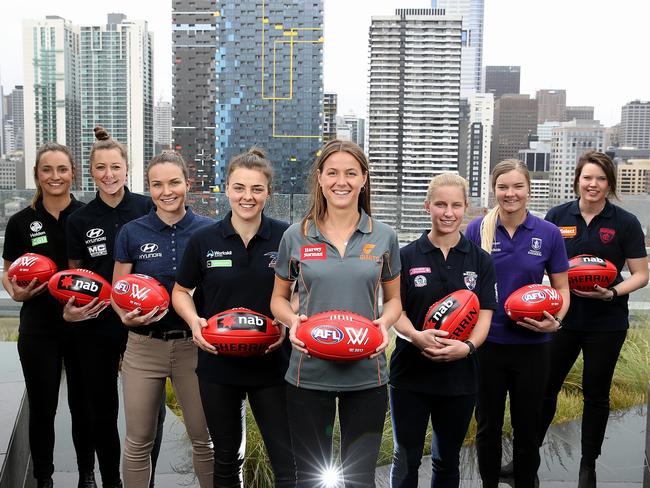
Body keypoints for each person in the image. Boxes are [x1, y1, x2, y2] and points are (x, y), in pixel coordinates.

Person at [270, 139, 402, 488]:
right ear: (319, 178)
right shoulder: (295, 236)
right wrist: (293, 321)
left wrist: (385, 324)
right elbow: (278, 300)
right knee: (310, 478)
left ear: (363, 179)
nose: (340, 181)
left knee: (360, 479)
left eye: (350, 173)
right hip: (308, 373)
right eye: (332, 173)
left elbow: (394, 302)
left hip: (367, 373)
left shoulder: (385, 237)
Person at [172, 147, 295, 487]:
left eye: (256, 189)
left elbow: (301, 291)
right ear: (226, 188)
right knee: (226, 459)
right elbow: (181, 292)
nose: (247, 197)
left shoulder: (286, 237)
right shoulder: (204, 239)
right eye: (239, 188)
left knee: (286, 461)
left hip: (272, 364)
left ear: (268, 192)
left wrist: (286, 319)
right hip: (218, 365)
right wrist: (195, 322)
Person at [540, 151, 648, 488]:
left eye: (601, 179)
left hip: (607, 321)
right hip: (563, 319)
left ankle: (588, 466)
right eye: (588, 177)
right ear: (577, 180)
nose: (593, 184)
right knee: (545, 389)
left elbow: (641, 274)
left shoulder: (625, 222)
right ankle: (526, 456)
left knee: (596, 393)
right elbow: (541, 265)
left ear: (609, 184)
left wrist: (613, 293)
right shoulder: (557, 216)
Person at [465, 159, 570, 488]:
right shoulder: (476, 229)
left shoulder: (548, 233)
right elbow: (465, 286)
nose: (510, 194)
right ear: (494, 189)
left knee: (528, 425)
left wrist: (556, 322)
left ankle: (526, 482)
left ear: (528, 188)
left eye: (517, 186)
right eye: (503, 187)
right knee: (487, 426)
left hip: (533, 346)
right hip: (488, 344)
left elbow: (562, 289)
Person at [112, 151, 214, 487]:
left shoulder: (208, 231)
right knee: (138, 441)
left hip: (194, 347)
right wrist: (125, 316)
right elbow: (117, 291)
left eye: (173, 182)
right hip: (143, 349)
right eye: (157, 184)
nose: (166, 191)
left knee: (204, 440)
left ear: (188, 183)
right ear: (149, 188)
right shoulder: (131, 232)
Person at [389, 173, 497, 488]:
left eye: (455, 205)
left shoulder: (481, 261)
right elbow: (396, 310)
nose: (448, 212)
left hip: (460, 377)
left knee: (447, 460)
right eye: (440, 204)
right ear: (427, 207)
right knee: (405, 457)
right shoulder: (406, 255)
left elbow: (485, 316)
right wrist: (416, 337)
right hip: (410, 374)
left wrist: (468, 348)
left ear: (466, 208)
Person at [64, 127, 153, 488]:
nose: (109, 175)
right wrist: (72, 309)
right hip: (97, 325)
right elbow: (75, 278)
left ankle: (142, 480)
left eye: (115, 166)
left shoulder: (147, 208)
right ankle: (110, 480)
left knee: (148, 415)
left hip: (143, 322)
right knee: (102, 409)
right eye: (101, 168)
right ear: (91, 172)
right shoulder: (79, 220)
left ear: (127, 169)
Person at [2, 143, 94, 488]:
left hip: (84, 325)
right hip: (39, 327)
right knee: (43, 407)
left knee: (83, 406)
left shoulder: (87, 217)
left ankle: (87, 475)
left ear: (73, 173)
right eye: (47, 170)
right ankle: (43, 478)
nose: (55, 177)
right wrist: (15, 292)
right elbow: (8, 271)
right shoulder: (21, 221)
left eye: (62, 169)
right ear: (37, 175)